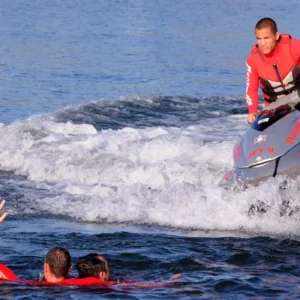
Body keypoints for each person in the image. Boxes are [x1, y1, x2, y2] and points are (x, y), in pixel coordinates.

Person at [246, 17, 300, 123]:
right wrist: (252, 112)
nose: (262, 44)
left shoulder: (294, 47)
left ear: (276, 35)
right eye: (259, 39)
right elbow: (251, 90)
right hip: (276, 111)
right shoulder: (253, 60)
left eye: (266, 38)